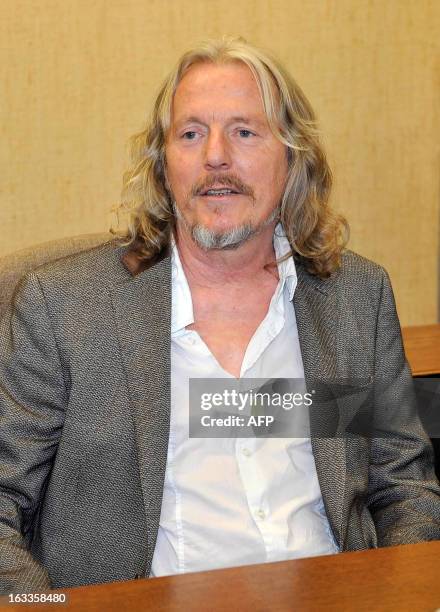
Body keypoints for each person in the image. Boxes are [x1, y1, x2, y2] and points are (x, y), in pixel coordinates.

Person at [0, 37, 439, 594]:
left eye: (244, 131)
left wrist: (406, 596)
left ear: (293, 158)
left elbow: (400, 488)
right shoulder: (68, 308)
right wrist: (44, 608)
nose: (215, 156)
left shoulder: (350, 298)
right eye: (190, 134)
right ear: (164, 165)